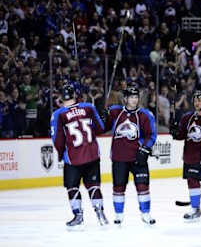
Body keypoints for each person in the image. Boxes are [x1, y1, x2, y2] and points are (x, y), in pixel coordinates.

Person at [50, 84, 108, 228]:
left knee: (72, 187)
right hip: (93, 155)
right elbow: (100, 129)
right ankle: (100, 214)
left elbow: (57, 139)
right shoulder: (89, 107)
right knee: (94, 186)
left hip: (73, 158)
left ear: (61, 97)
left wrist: (60, 153)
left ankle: (78, 216)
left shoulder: (59, 114)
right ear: (75, 95)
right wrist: (103, 117)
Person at [105, 86, 157, 225]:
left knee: (143, 186)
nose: (134, 100)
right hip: (119, 157)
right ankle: (118, 214)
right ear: (125, 99)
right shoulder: (115, 112)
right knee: (119, 187)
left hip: (137, 157)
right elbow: (102, 127)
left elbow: (151, 135)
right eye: (131, 97)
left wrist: (145, 149)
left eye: (136, 97)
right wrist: (103, 116)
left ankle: (145, 213)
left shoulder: (145, 115)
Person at [170, 90, 201, 221]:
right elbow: (182, 135)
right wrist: (175, 132)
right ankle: (195, 206)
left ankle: (195, 208)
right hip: (189, 155)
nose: (197, 103)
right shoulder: (187, 117)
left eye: (200, 100)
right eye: (195, 100)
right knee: (191, 181)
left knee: (193, 180)